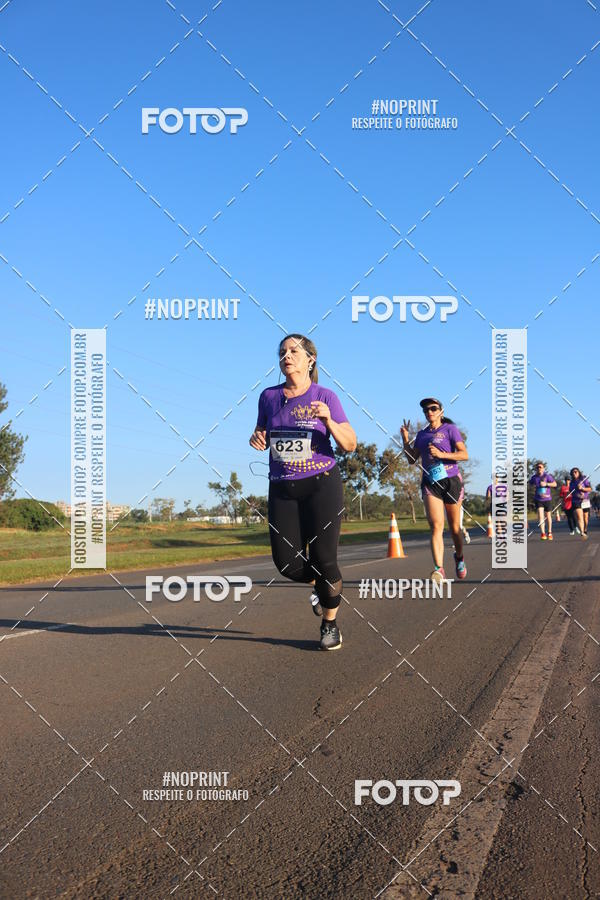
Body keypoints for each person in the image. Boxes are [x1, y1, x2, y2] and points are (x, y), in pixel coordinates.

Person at [249, 334, 357, 650]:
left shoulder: (326, 396)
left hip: (322, 484)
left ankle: (329, 623)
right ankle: (323, 587)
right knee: (287, 564)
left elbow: (350, 443)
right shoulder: (268, 397)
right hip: (282, 487)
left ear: (310, 359)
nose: (287, 356)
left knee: (325, 559)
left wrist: (328, 421)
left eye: (294, 351)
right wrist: (258, 437)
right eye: (282, 351)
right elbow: (263, 432)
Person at [401, 398, 468, 584]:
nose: (429, 412)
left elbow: (464, 454)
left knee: (455, 529)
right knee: (437, 526)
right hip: (431, 483)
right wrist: (405, 440)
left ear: (441, 411)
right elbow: (412, 460)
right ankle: (439, 569)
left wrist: (442, 455)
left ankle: (459, 557)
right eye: (426, 410)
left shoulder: (450, 430)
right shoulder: (422, 435)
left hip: (451, 481)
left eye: (433, 408)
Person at [529, 462, 557, 540]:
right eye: (537, 467)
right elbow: (530, 484)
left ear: (543, 468)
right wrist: (531, 487)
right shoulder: (534, 477)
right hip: (538, 499)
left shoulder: (547, 476)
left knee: (548, 516)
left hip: (547, 499)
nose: (539, 468)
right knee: (541, 516)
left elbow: (555, 484)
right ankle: (543, 533)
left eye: (540, 467)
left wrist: (546, 484)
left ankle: (550, 532)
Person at [569, 467, 591, 539]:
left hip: (585, 501)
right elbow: (571, 492)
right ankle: (582, 532)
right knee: (579, 517)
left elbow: (590, 489)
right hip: (576, 501)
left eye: (576, 472)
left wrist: (582, 488)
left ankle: (585, 529)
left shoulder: (584, 479)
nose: (574, 473)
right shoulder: (571, 482)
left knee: (586, 518)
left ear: (579, 472)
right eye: (573, 472)